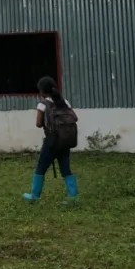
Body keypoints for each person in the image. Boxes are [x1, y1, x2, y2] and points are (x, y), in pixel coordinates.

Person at [22, 76, 79, 204]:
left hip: (51, 142)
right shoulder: (65, 102)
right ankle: (73, 197)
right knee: (66, 169)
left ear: (42, 91)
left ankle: (34, 196)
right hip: (65, 140)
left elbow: (38, 123)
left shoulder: (43, 104)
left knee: (40, 168)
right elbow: (75, 118)